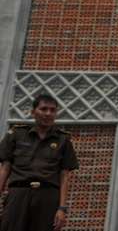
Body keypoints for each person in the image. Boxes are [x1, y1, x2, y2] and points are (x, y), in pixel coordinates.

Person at [0, 94, 79, 231]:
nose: (48, 113)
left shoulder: (63, 140)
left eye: (52, 110)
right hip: (18, 194)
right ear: (33, 112)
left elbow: (65, 176)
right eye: (43, 109)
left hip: (48, 196)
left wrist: (62, 209)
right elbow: (5, 169)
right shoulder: (16, 134)